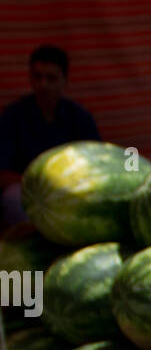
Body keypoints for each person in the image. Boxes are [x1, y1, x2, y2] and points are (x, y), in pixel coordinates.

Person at [0, 45, 100, 227]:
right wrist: (40, 187)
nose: (43, 85)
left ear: (65, 80)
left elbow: (96, 164)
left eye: (51, 78)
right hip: (29, 194)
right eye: (37, 77)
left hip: (70, 192)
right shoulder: (13, 116)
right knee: (11, 197)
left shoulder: (79, 117)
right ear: (30, 78)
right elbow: (3, 172)